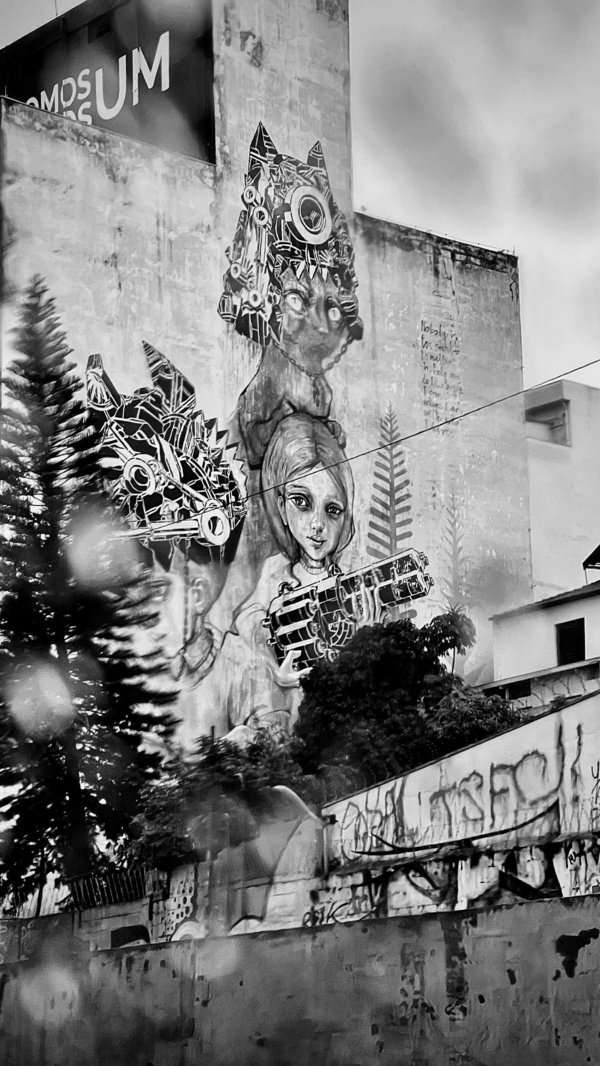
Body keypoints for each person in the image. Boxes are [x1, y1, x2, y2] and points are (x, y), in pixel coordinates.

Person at [185, 413, 354, 746]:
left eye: (332, 509)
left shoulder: (349, 586)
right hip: (281, 710)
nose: (317, 525)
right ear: (281, 506)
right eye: (302, 503)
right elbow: (250, 625)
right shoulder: (276, 572)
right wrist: (274, 667)